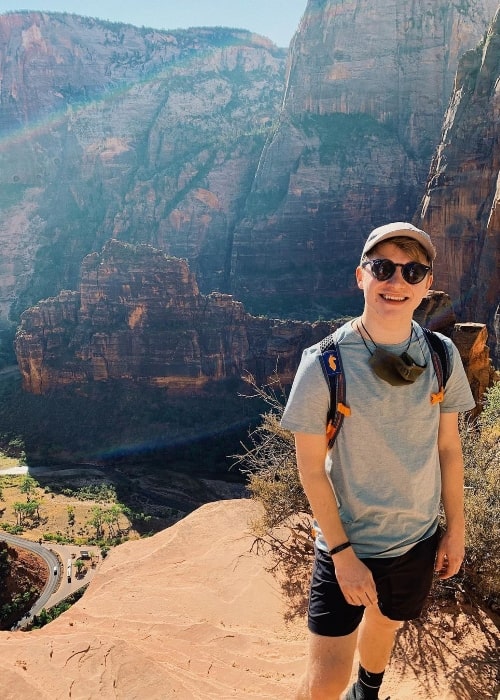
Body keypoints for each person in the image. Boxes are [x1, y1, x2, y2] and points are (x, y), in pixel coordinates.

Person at [280, 222, 476, 700]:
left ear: (428, 284)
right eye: (383, 268)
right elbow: (310, 469)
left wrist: (456, 527)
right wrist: (344, 556)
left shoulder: (442, 354)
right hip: (346, 544)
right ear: (360, 276)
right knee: (324, 682)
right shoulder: (323, 363)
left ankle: (367, 691)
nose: (397, 282)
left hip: (416, 539)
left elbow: (449, 449)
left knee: (386, 626)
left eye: (413, 271)